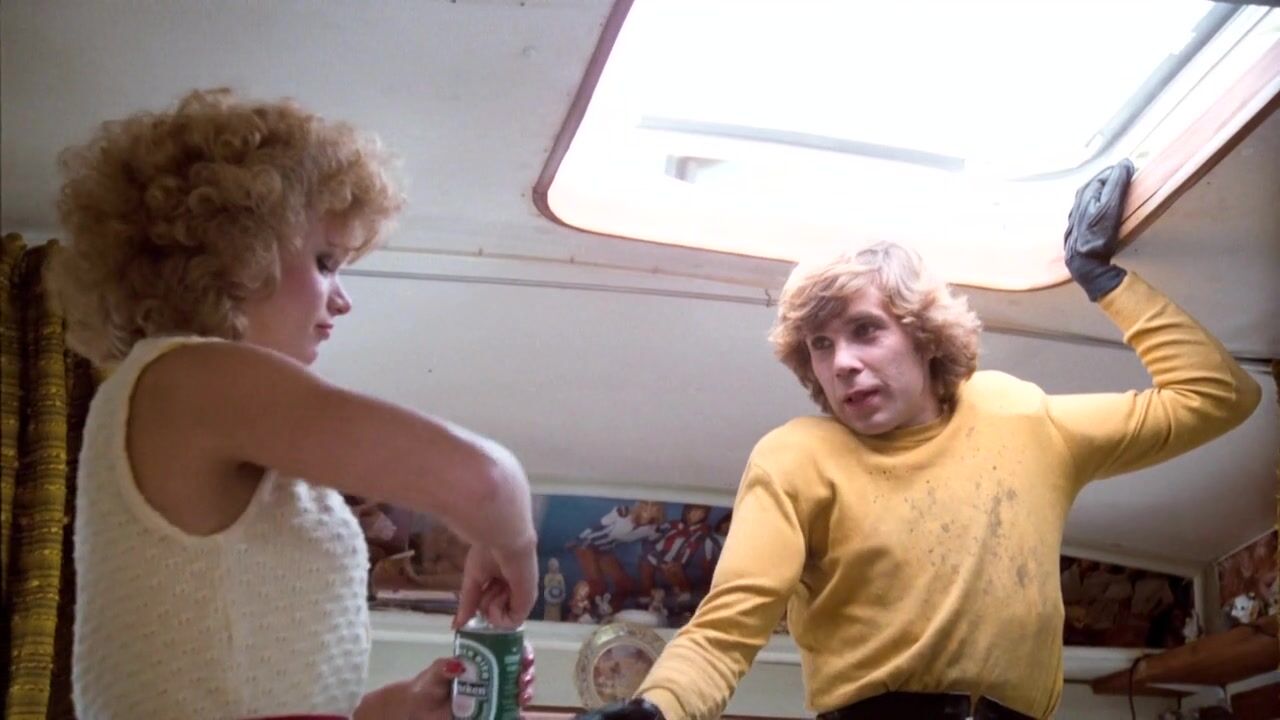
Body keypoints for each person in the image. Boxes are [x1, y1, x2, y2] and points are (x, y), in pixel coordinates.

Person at [578, 160, 1261, 720]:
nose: (842, 363)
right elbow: (726, 629)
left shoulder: (1022, 417)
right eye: (820, 345)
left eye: (865, 330)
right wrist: (656, 711)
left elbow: (1219, 396)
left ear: (924, 337)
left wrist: (1100, 275)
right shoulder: (795, 458)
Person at [53, 88, 538, 719]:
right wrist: (512, 543)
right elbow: (483, 481)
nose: (343, 300)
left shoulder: (203, 404)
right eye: (326, 261)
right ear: (234, 249)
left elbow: (251, 689)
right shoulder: (188, 380)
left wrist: (395, 708)